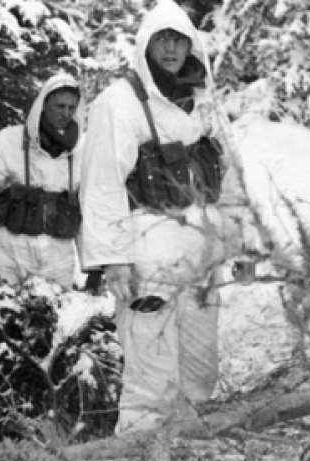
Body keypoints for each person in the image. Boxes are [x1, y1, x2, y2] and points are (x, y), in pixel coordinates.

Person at [79, 0, 242, 433]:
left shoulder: (204, 101)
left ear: (191, 45)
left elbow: (231, 175)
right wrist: (113, 261)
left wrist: (240, 243)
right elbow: (101, 184)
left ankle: (187, 455)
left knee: (199, 376)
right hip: (147, 266)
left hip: (200, 262)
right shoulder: (119, 103)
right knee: (150, 383)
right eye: (161, 40)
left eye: (178, 40)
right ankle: (142, 456)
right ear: (145, 45)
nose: (171, 49)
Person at [0, 72, 84, 288]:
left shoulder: (83, 150)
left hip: (59, 258)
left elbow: (89, 210)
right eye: (60, 106)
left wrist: (94, 266)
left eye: (71, 107)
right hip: (10, 253)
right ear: (43, 104)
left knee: (57, 309)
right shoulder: (6, 142)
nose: (66, 113)